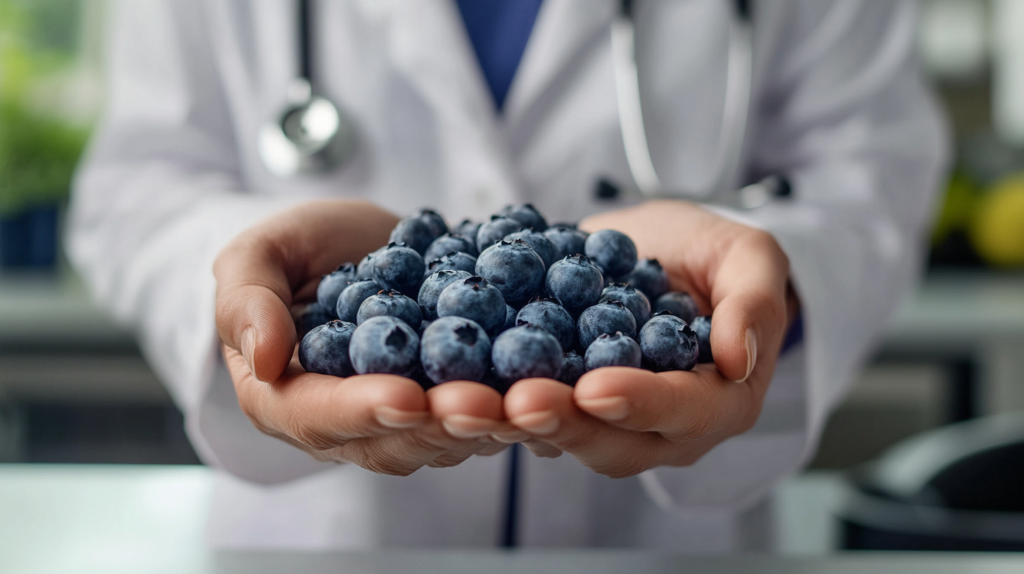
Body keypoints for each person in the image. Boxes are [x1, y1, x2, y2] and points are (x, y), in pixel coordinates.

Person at [68, 0, 947, 551]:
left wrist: (768, 291)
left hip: (660, 538)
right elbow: (138, 184)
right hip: (324, 539)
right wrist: (248, 269)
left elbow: (872, 168)